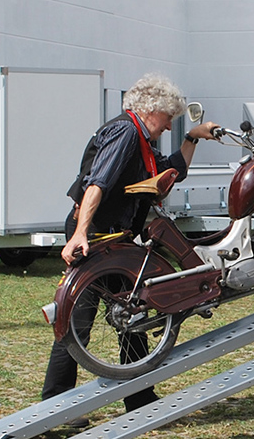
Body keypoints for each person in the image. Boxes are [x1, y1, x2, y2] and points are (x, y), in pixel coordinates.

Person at [42, 74, 220, 421]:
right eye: (168, 117)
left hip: (117, 239)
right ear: (151, 109)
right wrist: (81, 235)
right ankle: (56, 405)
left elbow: (170, 171)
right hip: (96, 235)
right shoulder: (125, 132)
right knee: (77, 321)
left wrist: (192, 138)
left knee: (134, 312)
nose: (168, 126)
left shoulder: (141, 139)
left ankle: (139, 398)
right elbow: (97, 184)